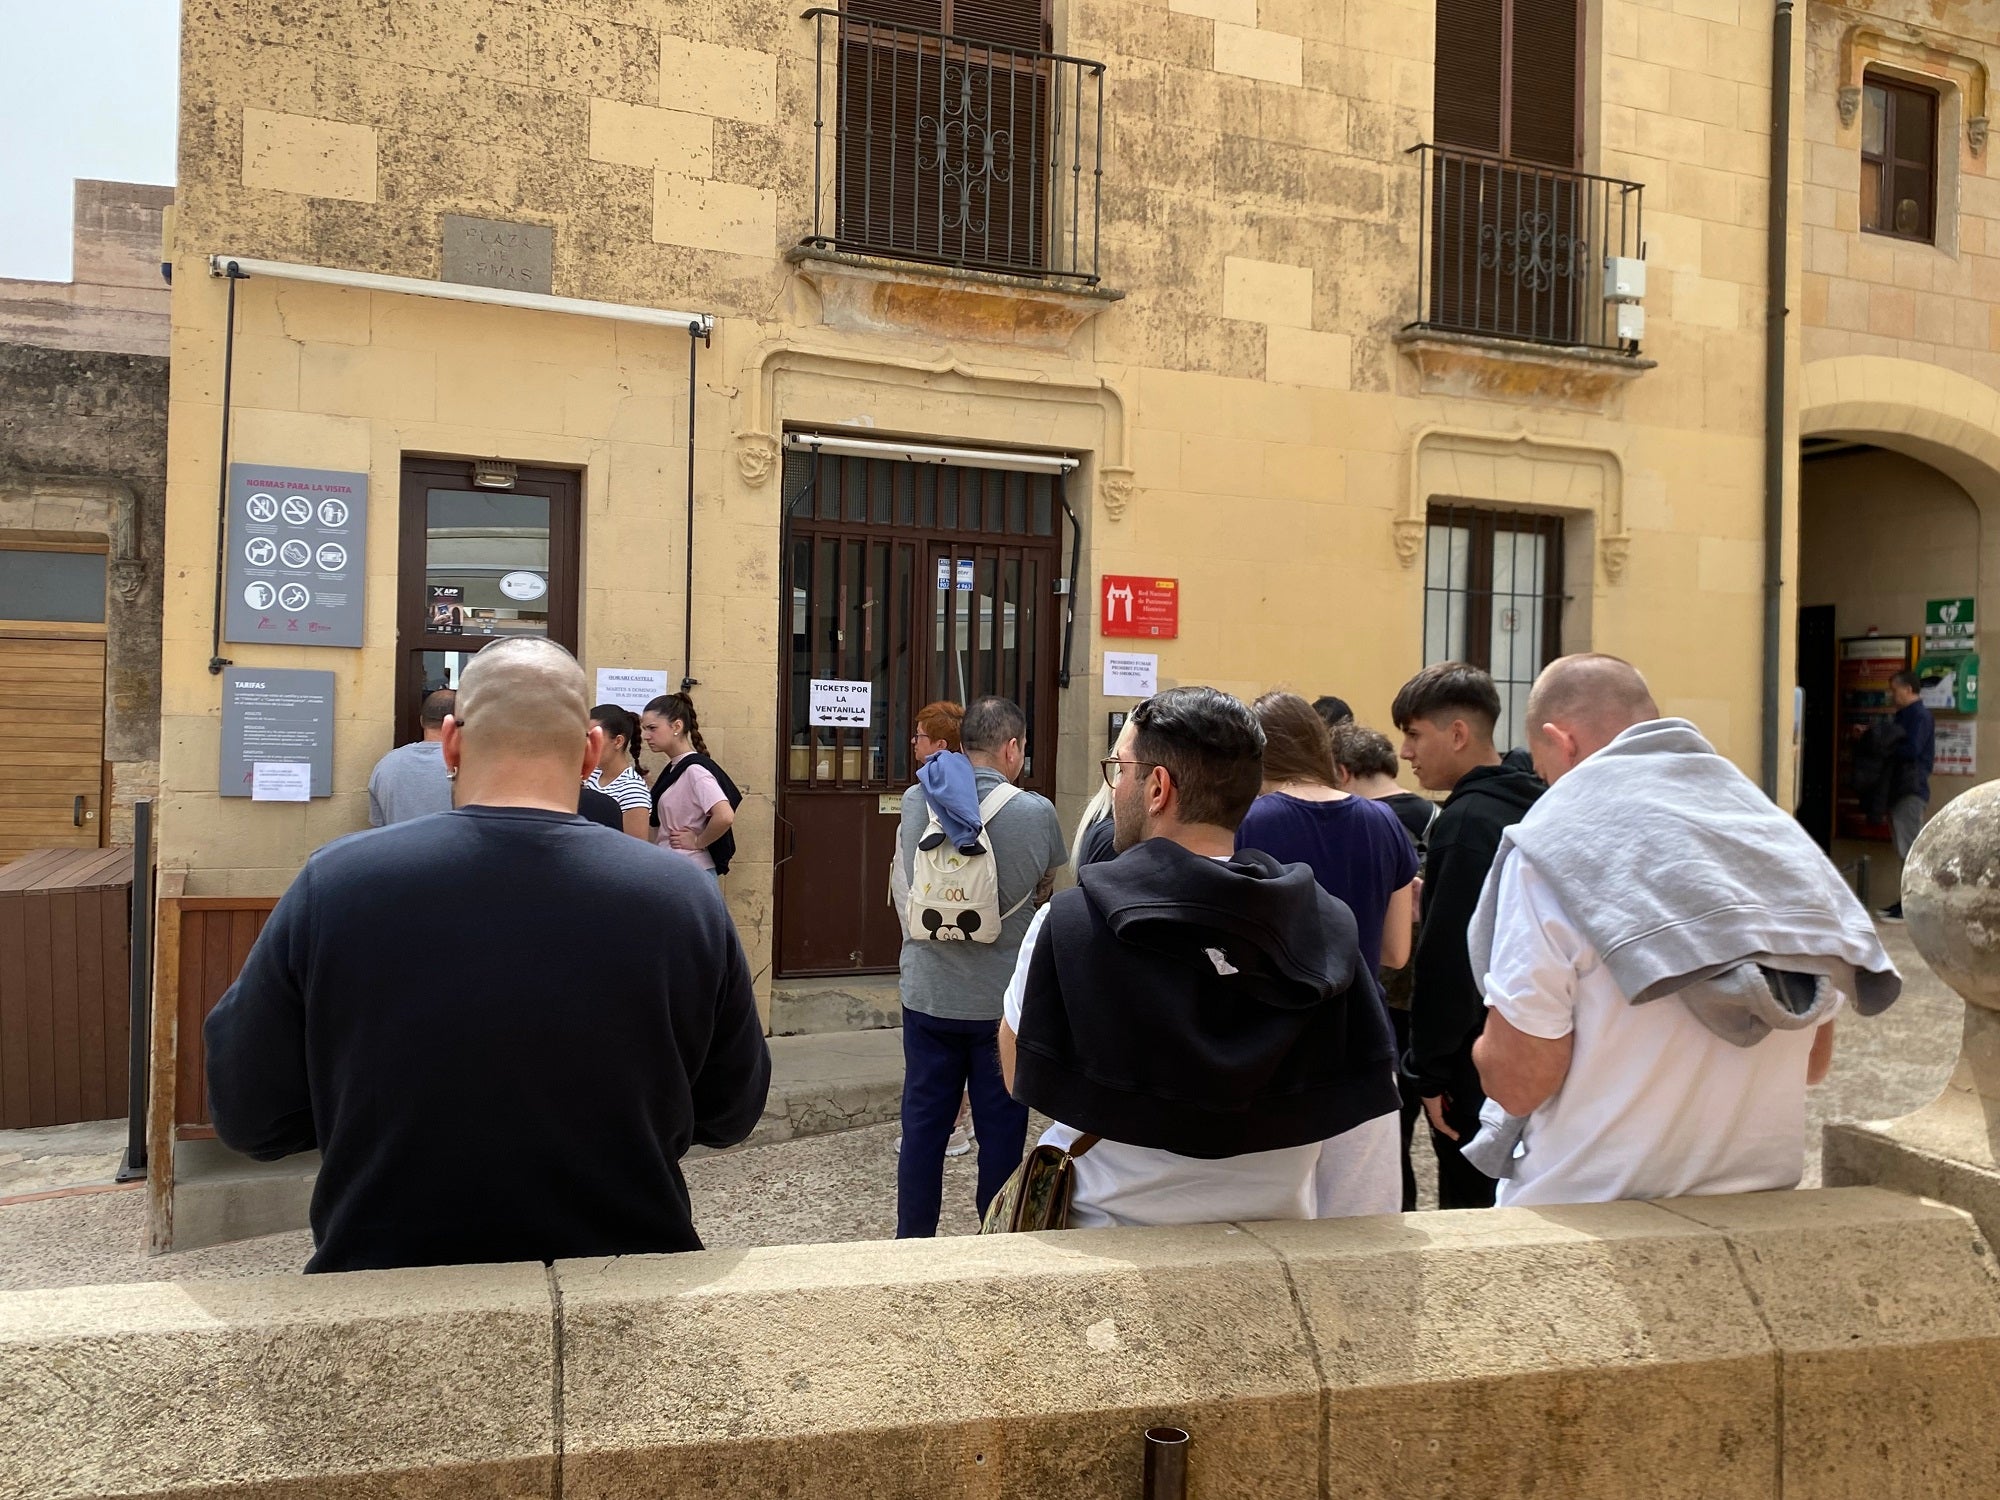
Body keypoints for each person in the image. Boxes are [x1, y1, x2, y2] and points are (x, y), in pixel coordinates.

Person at [203, 638, 771, 1273]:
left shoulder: (336, 883)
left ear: (450, 742)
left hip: (383, 1282)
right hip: (627, 1280)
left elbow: (250, 1113)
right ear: (589, 752)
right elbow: (730, 1112)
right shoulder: (682, 896)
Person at [1468, 654, 1898, 1206]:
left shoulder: (1551, 847)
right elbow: (1813, 1062)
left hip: (1586, 1210)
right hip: (1754, 1208)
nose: (1545, 784)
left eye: (1542, 768)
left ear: (1562, 740)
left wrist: (1484, 1046)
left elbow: (1520, 1081)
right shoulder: (1783, 841)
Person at [1001, 687, 1400, 1227]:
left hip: (1107, 1247)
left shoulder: (1070, 923)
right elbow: (1361, 1142)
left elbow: (1019, 1071)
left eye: (1119, 769)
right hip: (1272, 1252)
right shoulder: (1327, 929)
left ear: (1157, 788)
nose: (1114, 787)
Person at [1234, 693, 1414, 1218]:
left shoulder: (1248, 823)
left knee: (1273, 1229)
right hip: (1365, 1039)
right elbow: (1397, 952)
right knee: (1362, 1234)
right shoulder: (1384, 823)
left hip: (1275, 1045)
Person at [895, 695, 1067, 1237]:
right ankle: (993, 1242)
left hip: (926, 991)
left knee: (923, 1126)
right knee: (1001, 1132)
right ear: (1012, 747)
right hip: (1001, 1004)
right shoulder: (1035, 812)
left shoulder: (914, 801)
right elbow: (1047, 891)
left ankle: (911, 1241)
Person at [1392, 661, 1544, 1209]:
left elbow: (1449, 960)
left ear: (1457, 734)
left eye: (1413, 735)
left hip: (1472, 1061)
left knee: (1469, 1211)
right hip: (1533, 1040)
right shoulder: (1534, 801)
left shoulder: (1464, 822)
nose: (1405, 752)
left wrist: (1427, 1072)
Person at [1329, 720, 1436, 1212]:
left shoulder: (1357, 823)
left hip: (1377, 994)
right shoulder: (1435, 816)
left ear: (1343, 771)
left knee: (1384, 1141)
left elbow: (1388, 949)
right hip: (1431, 993)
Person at [641, 693, 738, 876]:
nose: (646, 736)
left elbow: (724, 815)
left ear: (677, 726)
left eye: (652, 728)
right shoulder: (674, 768)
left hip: (688, 870)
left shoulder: (694, 770)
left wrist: (698, 842)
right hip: (675, 867)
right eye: (644, 729)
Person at [1881, 669, 1935, 922]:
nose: (1893, 696)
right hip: (1899, 788)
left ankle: (1910, 906)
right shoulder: (1905, 716)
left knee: (1911, 848)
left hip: (1909, 789)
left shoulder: (1919, 716)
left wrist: (1886, 744)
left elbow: (1912, 749)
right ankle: (1904, 901)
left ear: (1908, 689)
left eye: (1895, 690)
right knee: (1903, 847)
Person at [367, 689, 455, 826]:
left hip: (396, 846)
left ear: (421, 721)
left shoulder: (386, 765)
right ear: (455, 723)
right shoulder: (469, 767)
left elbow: (377, 827)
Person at [587, 704, 653, 839]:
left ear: (618, 741)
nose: (586, 744)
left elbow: (636, 850)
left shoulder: (633, 790)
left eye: (594, 738)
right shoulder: (591, 775)